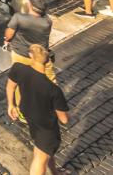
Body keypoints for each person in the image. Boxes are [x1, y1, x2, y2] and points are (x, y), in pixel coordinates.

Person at [6, 45, 70, 175]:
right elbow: (64, 119)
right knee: (40, 158)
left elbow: (10, 87)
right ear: (48, 61)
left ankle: (54, 173)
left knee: (44, 150)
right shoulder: (53, 89)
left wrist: (11, 105)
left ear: (30, 55)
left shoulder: (19, 68)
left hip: (30, 118)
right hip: (46, 127)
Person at [4, 0, 55, 79]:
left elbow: (9, 34)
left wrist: (6, 40)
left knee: (19, 79)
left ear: (30, 6)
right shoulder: (47, 21)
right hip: (40, 56)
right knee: (50, 80)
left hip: (21, 54)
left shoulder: (18, 17)